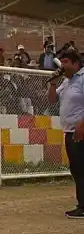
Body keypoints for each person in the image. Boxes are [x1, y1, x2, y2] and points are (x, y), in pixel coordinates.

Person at [48, 49, 84, 218]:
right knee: (76, 168)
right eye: (61, 62)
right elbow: (52, 100)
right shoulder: (66, 82)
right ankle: (82, 203)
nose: (62, 66)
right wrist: (53, 83)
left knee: (80, 168)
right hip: (70, 131)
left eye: (66, 62)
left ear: (76, 64)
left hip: (81, 131)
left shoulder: (82, 79)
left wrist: (82, 125)